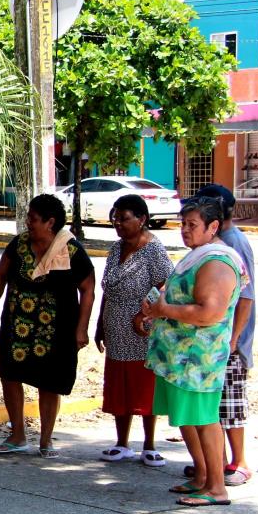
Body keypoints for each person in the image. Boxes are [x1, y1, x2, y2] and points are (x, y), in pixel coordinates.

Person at [143, 195, 247, 507]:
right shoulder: (200, 255)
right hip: (180, 358)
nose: (185, 230)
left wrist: (164, 309)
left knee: (204, 419)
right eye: (183, 224)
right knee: (189, 419)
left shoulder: (217, 261)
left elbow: (209, 312)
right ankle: (202, 477)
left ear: (213, 226)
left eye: (192, 225)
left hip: (196, 359)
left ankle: (216, 488)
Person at [0, 194, 95, 457]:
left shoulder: (72, 250)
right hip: (17, 326)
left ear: (50, 222)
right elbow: (0, 275)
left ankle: (46, 440)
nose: (28, 223)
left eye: (33, 219)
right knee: (9, 374)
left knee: (50, 381)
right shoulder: (19, 244)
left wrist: (82, 328)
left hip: (55, 331)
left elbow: (88, 288)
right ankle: (17, 435)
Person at [93, 194, 173, 466]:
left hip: (143, 329)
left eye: (124, 219)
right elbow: (108, 288)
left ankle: (149, 444)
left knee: (144, 383)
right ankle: (122, 442)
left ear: (142, 219)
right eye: (115, 219)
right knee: (120, 384)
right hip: (115, 326)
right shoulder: (116, 249)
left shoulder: (154, 250)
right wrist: (100, 323)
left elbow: (166, 287)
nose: (119, 224)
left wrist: (144, 313)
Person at [197, 183, 256, 486]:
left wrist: (234, 341)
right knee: (214, 405)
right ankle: (214, 463)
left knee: (231, 406)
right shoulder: (217, 241)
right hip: (214, 342)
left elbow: (246, 297)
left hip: (230, 343)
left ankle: (239, 461)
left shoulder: (234, 242)